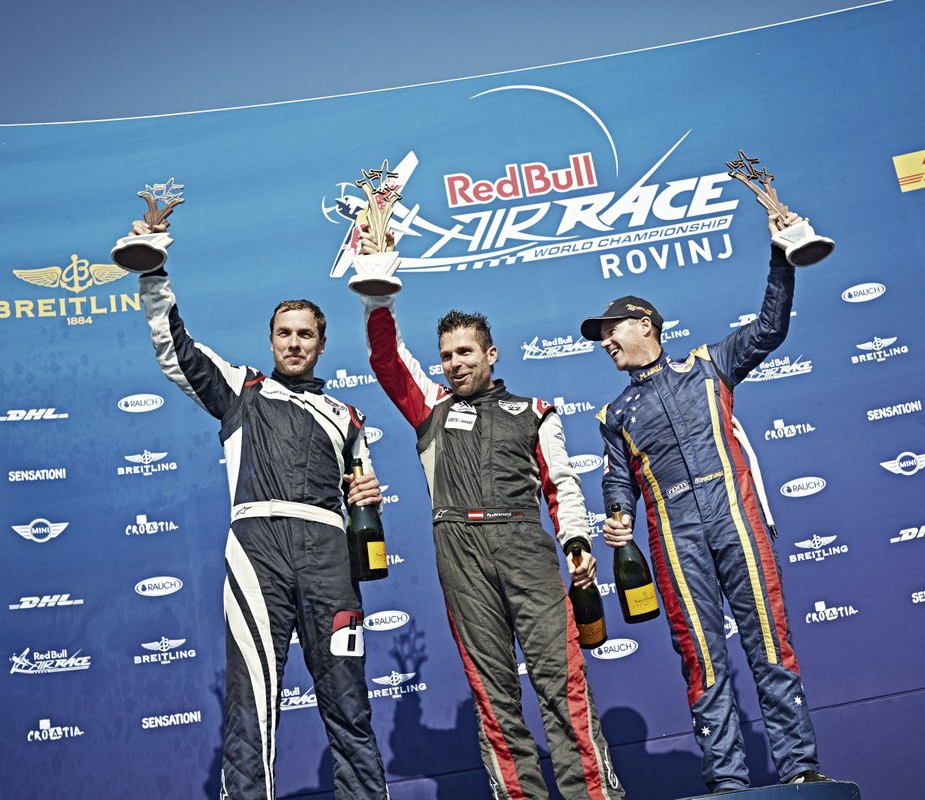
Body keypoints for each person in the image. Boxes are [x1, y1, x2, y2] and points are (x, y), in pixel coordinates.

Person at [354, 228, 624, 800]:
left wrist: (577, 542)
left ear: (491, 354)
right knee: (493, 693)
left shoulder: (535, 411)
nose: (455, 364)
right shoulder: (429, 408)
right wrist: (378, 291)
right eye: (446, 355)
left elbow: (562, 485)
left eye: (466, 353)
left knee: (562, 683)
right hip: (460, 553)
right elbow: (386, 358)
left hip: (527, 549)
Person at [128, 217, 388, 800]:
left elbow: (364, 503)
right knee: (251, 706)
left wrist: (368, 498)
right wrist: (153, 275)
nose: (294, 344)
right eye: (284, 334)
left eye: (305, 335)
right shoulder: (242, 391)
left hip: (330, 562)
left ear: (322, 344)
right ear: (271, 341)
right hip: (257, 556)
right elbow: (176, 351)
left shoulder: (348, 418)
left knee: (349, 705)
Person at [579, 212, 830, 791]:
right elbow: (618, 482)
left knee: (770, 642)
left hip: (736, 518)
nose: (605, 342)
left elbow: (770, 327)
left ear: (644, 324)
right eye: (600, 337)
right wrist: (617, 518)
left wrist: (780, 256)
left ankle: (800, 770)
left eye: (611, 330)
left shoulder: (709, 365)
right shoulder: (615, 414)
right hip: (675, 540)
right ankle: (728, 783)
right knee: (701, 658)